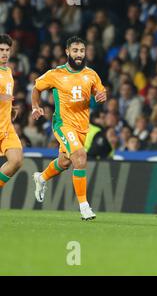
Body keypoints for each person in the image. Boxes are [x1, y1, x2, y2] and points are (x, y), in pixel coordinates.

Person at [31, 36, 107, 221]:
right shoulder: (55, 74)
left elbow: (100, 91)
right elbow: (36, 87)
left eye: (81, 50)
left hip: (82, 127)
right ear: (67, 52)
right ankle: (84, 207)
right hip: (63, 124)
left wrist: (101, 96)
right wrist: (35, 106)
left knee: (65, 162)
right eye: (75, 50)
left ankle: (41, 178)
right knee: (80, 157)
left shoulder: (91, 74)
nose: (79, 54)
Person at [0, 34, 23, 193]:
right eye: (1, 49)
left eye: (7, 50)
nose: (4, 53)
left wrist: (10, 107)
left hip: (6, 126)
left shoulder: (8, 71)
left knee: (16, 161)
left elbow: (5, 97)